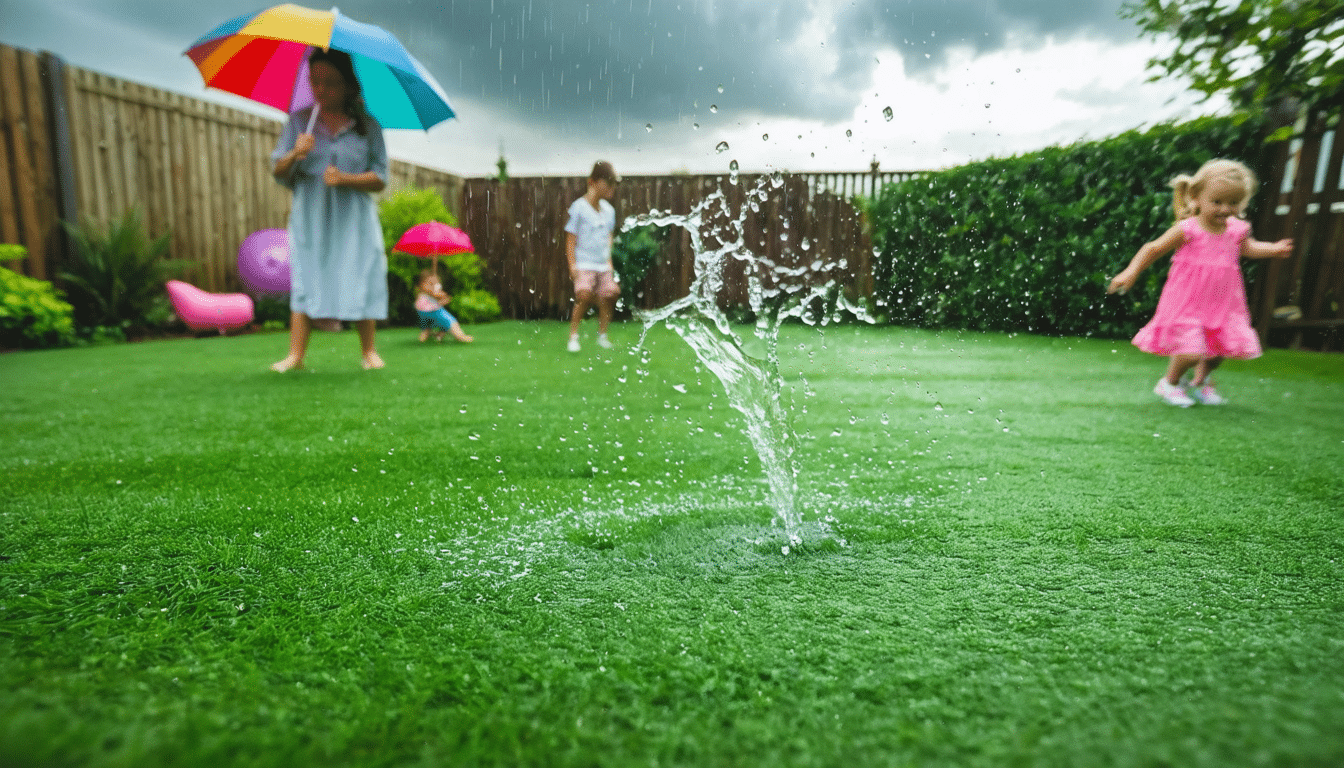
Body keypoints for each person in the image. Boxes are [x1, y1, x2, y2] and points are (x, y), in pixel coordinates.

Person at [1108, 159, 1293, 406]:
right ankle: (1169, 383)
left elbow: (1249, 248)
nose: (1225, 209)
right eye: (1217, 202)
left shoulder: (1236, 230)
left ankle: (1200, 383)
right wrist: (1131, 271)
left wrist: (1273, 249)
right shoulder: (1187, 229)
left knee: (1218, 353)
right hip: (1187, 301)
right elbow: (1152, 248)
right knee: (1191, 351)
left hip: (1223, 303)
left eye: (1234, 203)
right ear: (1196, 197)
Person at [269, 49, 389, 372]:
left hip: (355, 220)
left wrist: (346, 178)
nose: (321, 90)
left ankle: (369, 352)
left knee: (361, 272)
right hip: (312, 217)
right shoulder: (298, 123)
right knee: (307, 276)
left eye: (330, 83)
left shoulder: (368, 126)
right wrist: (295, 153)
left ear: (348, 86)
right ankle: (296, 356)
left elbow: (381, 178)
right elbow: (278, 172)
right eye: (315, 82)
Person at [564, 161, 621, 352]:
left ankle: (602, 336)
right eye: (608, 182)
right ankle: (573, 336)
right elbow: (571, 239)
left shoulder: (609, 211)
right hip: (584, 263)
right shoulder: (579, 208)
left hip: (603, 265)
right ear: (593, 182)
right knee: (584, 295)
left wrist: (609, 262)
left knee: (610, 294)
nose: (612, 187)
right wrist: (572, 265)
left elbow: (608, 238)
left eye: (614, 183)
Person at [414, 268, 473, 343]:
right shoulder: (426, 289)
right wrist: (442, 295)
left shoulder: (425, 290)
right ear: (422, 283)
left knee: (429, 326)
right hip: (432, 311)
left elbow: (439, 299)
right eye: (429, 283)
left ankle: (433, 335)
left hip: (423, 312)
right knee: (451, 321)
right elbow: (435, 294)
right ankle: (460, 336)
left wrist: (443, 299)